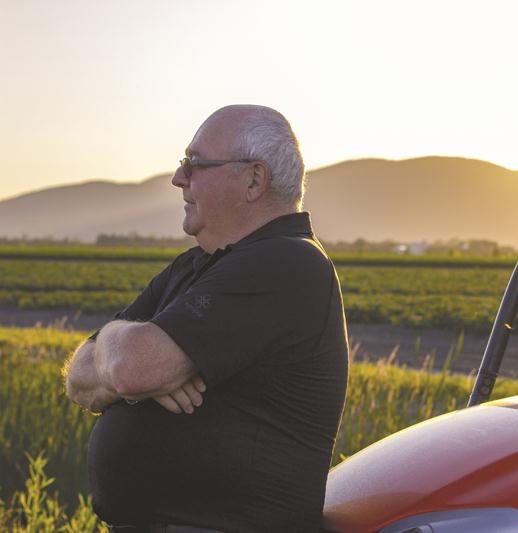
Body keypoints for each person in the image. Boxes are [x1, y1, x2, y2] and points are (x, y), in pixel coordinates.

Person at [63, 105, 349, 533]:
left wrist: (122, 354)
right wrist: (124, 347)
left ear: (254, 179)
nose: (179, 178)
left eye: (194, 164)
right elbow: (79, 378)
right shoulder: (195, 266)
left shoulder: (285, 263)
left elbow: (131, 369)